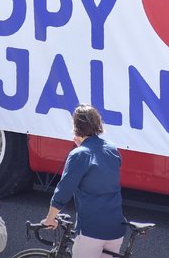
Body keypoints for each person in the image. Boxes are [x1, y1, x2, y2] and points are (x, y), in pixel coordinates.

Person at [42, 104, 126, 258]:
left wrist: (50, 218)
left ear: (76, 127)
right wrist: (83, 146)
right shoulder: (112, 149)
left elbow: (64, 191)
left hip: (91, 230)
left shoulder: (79, 154)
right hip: (116, 228)